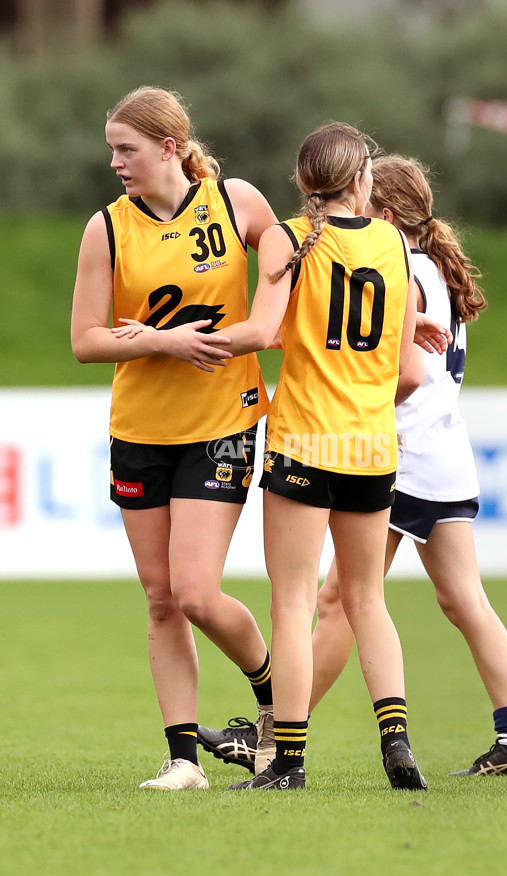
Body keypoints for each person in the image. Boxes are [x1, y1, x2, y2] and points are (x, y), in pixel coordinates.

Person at [198, 154, 507, 779]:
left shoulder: (370, 255)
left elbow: (388, 367)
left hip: (382, 443)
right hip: (435, 451)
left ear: (379, 207)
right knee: (454, 600)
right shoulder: (421, 262)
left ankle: (275, 738)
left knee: (331, 602)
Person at [180, 124, 451, 791]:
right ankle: (397, 742)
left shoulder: (288, 238)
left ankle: (289, 762)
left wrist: (171, 340)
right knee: (367, 600)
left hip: (304, 442)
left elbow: (262, 331)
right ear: (360, 180)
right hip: (371, 447)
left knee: (294, 604)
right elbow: (394, 351)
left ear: (303, 182)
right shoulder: (393, 242)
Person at [71, 86, 279, 790]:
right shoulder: (106, 228)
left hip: (222, 422)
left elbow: (295, 275)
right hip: (139, 429)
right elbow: (86, 340)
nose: (114, 162)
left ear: (169, 147)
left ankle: (275, 699)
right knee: (160, 598)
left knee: (194, 591)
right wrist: (164, 342)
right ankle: (184, 760)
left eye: (125, 149)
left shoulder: (236, 202)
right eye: (111, 149)